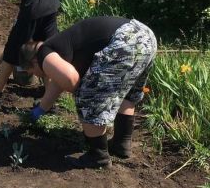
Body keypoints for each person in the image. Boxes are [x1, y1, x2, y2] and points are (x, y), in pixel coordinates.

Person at [19, 16, 157, 169]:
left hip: (123, 41)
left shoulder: (43, 53)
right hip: (144, 36)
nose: (37, 75)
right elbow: (58, 83)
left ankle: (98, 156)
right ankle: (121, 143)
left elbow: (71, 80)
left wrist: (86, 95)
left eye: (31, 71)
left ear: (33, 61)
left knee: (88, 94)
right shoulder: (57, 46)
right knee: (127, 93)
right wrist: (40, 110)